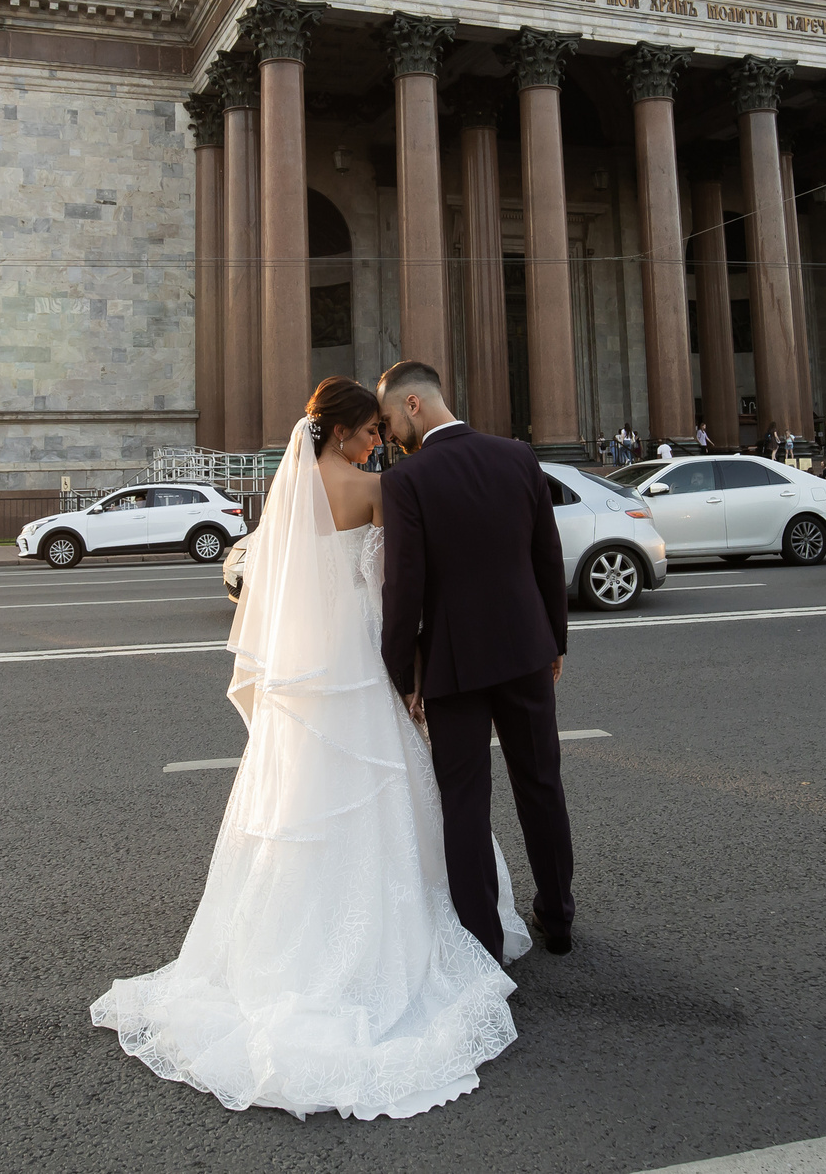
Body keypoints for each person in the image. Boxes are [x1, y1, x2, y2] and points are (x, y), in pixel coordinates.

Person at [91, 376, 526, 1119]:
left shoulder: (288, 493)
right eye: (369, 432)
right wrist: (413, 668)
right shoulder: (372, 490)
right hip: (358, 662)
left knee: (302, 800)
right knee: (394, 791)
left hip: (308, 673)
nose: (377, 442)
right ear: (343, 430)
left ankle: (283, 949)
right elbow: (398, 588)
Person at [376, 359, 576, 967]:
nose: (388, 435)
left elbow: (403, 589)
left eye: (387, 420)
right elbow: (547, 556)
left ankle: (483, 945)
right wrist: (556, 642)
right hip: (525, 650)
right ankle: (558, 917)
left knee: (464, 801)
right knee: (541, 783)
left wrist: (401, 673)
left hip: (454, 664)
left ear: (413, 405)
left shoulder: (408, 480)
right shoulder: (518, 456)